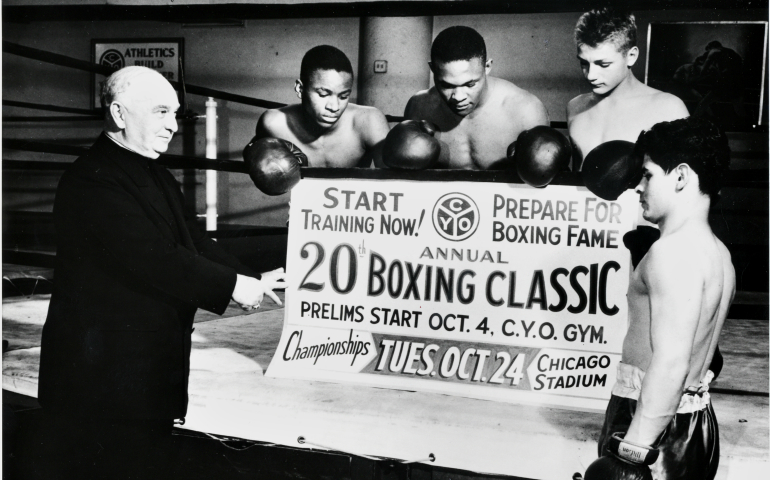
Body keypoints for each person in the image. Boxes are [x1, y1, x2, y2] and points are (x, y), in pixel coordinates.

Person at [36, 66, 286, 479]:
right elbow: (155, 257)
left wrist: (251, 278)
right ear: (118, 114)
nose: (172, 126)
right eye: (160, 112)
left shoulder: (154, 171)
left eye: (174, 114)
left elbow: (193, 240)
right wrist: (234, 286)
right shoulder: (91, 179)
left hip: (143, 375)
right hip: (99, 383)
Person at [594, 117, 734, 480]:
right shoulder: (720, 255)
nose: (637, 188)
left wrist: (633, 452)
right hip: (693, 422)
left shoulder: (671, 254)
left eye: (648, 175)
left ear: (682, 176)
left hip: (651, 430)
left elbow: (672, 362)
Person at [403, 25, 549, 170]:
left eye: (470, 84)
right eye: (447, 85)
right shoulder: (419, 107)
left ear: (487, 67)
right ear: (432, 69)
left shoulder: (526, 110)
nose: (458, 97)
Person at [568, 8, 689, 170]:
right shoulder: (575, 107)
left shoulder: (669, 108)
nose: (591, 75)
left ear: (631, 56)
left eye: (603, 64)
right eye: (584, 63)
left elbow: (691, 183)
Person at [255, 45, 390, 168]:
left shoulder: (369, 121)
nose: (334, 107)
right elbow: (255, 158)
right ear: (300, 88)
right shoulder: (274, 124)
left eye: (343, 96)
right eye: (323, 94)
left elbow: (395, 184)